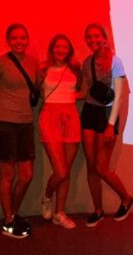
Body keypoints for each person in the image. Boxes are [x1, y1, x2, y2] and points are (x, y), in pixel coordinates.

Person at [0, 24, 41, 239]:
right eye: (14, 38)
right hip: (4, 124)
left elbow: (36, 86)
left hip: (26, 123)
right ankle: (8, 220)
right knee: (8, 175)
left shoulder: (33, 62)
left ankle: (13, 212)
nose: (19, 41)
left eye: (22, 37)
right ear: (8, 41)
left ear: (27, 39)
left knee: (27, 176)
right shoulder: (0, 63)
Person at [80, 23, 133, 227]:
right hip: (89, 114)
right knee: (92, 167)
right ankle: (98, 210)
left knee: (102, 167)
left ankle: (126, 198)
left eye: (96, 36)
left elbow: (119, 95)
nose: (93, 40)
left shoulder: (116, 61)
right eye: (89, 37)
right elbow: (84, 92)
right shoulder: (87, 62)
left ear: (104, 37)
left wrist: (111, 125)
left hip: (108, 115)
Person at [39, 34, 83, 229]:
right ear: (52, 48)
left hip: (71, 116)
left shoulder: (76, 69)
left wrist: (73, 96)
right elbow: (34, 90)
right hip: (50, 116)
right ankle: (47, 196)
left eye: (65, 47)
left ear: (69, 50)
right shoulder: (42, 69)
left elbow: (85, 91)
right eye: (58, 47)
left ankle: (60, 213)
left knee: (67, 171)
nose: (61, 50)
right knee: (61, 170)